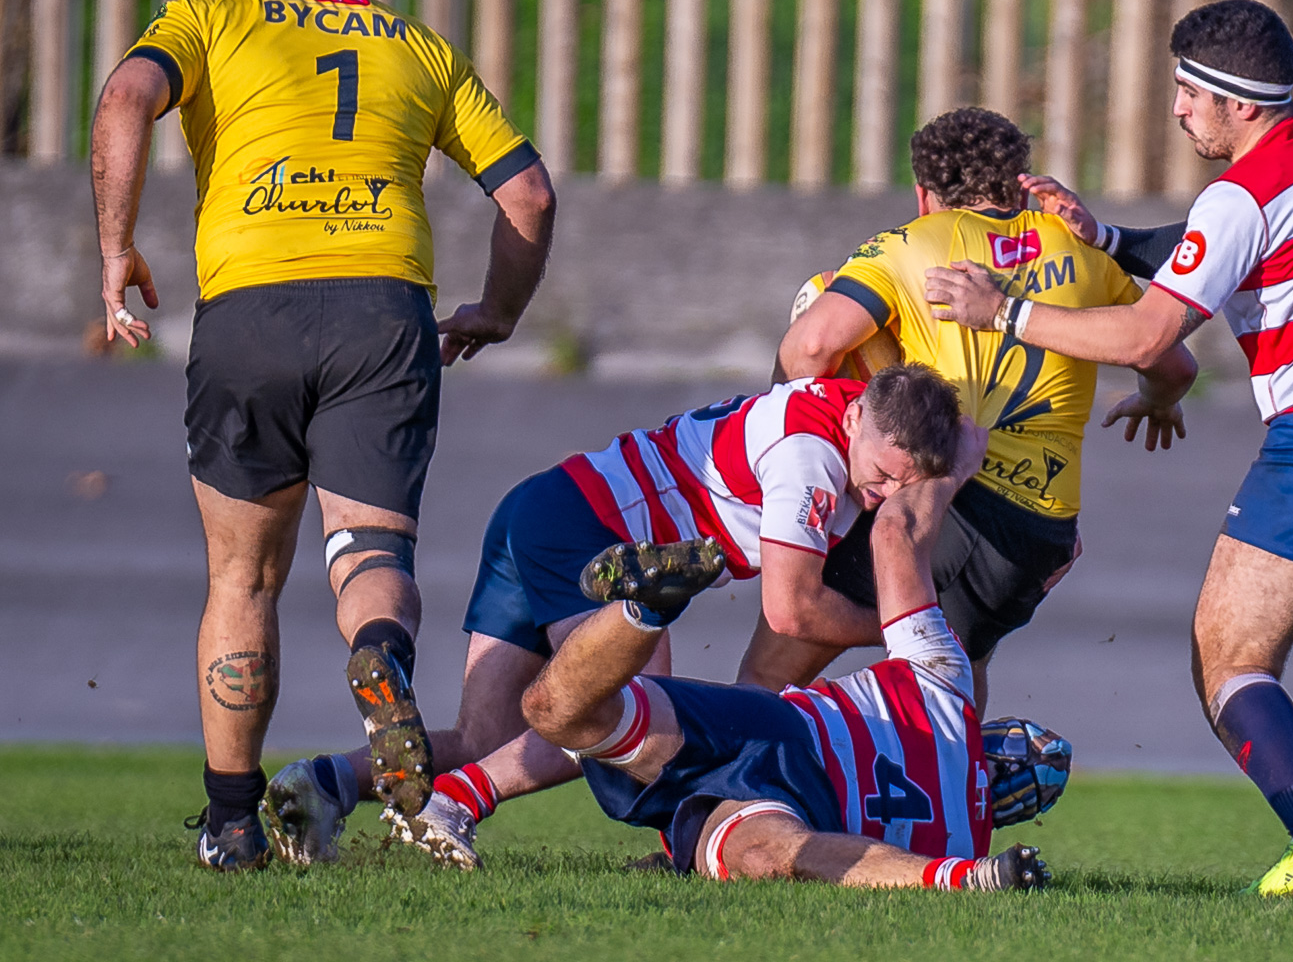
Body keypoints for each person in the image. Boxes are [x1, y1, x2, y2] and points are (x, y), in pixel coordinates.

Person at [924, 0, 1293, 895]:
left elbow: (1148, 337)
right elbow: (1212, 250)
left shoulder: (1238, 195)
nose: (1177, 108)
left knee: (1228, 658)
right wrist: (1104, 239)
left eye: (1188, 91)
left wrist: (1005, 310)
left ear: (1236, 104)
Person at [89, 0, 556, 871]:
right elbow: (529, 191)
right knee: (371, 555)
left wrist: (115, 250)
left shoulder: (210, 20)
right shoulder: (418, 45)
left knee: (242, 575)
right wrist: (497, 312)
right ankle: (380, 661)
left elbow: (127, 94)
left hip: (250, 310)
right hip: (382, 310)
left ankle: (228, 825)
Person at [265, 364, 968, 869]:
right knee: (617, 711)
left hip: (542, 506)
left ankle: (321, 783)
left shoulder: (857, 404)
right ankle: (453, 803)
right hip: (592, 534)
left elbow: (943, 427)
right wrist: (912, 632)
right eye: (879, 477)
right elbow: (791, 610)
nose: (880, 497)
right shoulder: (812, 458)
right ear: (854, 422)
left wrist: (946, 458)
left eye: (900, 485)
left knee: (486, 734)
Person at [754, 107, 1198, 707]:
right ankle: (963, 793)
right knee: (956, 687)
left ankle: (726, 799)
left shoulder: (909, 246)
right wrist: (1156, 400)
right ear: (1020, 179)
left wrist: (803, 444)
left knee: (767, 675)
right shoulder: (1085, 250)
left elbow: (812, 345)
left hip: (942, 505)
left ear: (924, 192)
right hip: (1040, 533)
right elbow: (1174, 365)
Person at [520, 419, 1062, 891]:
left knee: (558, 711)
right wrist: (965, 867)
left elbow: (895, 532)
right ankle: (961, 884)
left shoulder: (950, 683)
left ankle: (646, 613)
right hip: (791, 755)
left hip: (774, 733)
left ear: (998, 734)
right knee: (767, 853)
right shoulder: (966, 836)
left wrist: (953, 470)